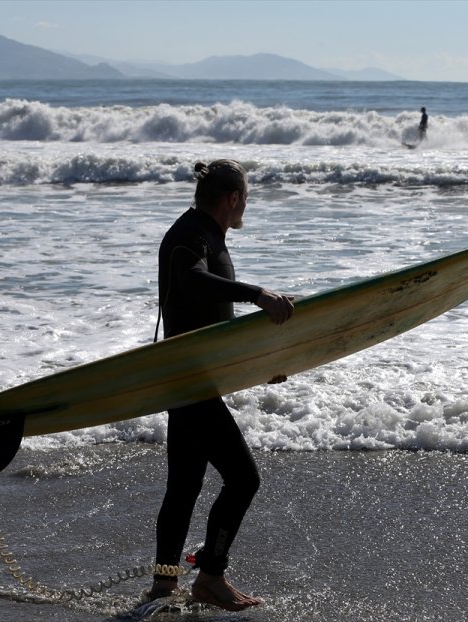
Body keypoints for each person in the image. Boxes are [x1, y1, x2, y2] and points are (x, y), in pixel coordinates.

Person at [150, 159, 294, 611]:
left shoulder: (201, 233)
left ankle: (163, 586)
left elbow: (212, 320)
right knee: (244, 479)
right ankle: (210, 576)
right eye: (245, 198)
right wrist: (257, 294)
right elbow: (192, 282)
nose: (245, 206)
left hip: (191, 377)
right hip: (189, 380)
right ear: (232, 199)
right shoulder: (191, 235)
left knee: (185, 486)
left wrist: (259, 365)